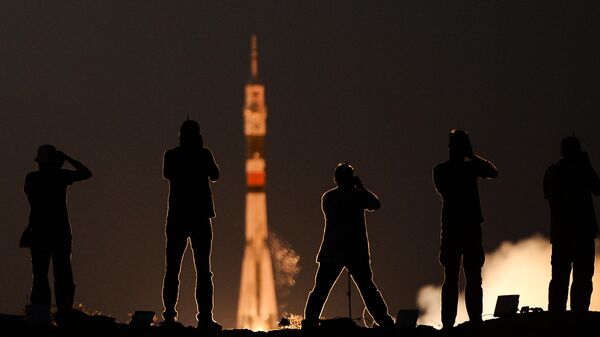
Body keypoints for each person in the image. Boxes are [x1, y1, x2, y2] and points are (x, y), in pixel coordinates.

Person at [303, 162, 395, 330]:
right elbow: (375, 204)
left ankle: (309, 322)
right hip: (355, 251)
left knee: (321, 289)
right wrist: (361, 188)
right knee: (367, 288)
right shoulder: (357, 196)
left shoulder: (328, 197)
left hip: (332, 250)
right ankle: (384, 320)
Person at [432, 129, 497, 329]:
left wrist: (472, 157)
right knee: (453, 277)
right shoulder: (443, 169)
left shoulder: (464, 168)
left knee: (471, 276)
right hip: (457, 227)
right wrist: (472, 158)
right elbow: (490, 172)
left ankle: (473, 320)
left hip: (465, 227)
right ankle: (450, 323)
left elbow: (493, 173)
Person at [161, 119, 222, 331]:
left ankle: (171, 315)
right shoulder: (202, 154)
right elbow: (215, 174)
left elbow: (169, 174)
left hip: (179, 217)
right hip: (197, 217)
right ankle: (204, 317)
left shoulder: (173, 155)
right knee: (202, 270)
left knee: (175, 269)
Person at [24, 144, 92, 326]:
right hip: (59, 233)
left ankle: (41, 315)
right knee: (62, 275)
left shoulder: (32, 179)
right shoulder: (60, 177)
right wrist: (67, 158)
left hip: (38, 232)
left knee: (40, 276)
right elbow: (86, 173)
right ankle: (63, 314)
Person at [544, 136, 600, 312]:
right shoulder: (580, 170)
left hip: (563, 234)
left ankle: (558, 314)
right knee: (580, 278)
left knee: (562, 278)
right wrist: (586, 166)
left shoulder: (552, 172)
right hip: (580, 234)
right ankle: (577, 314)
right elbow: (597, 188)